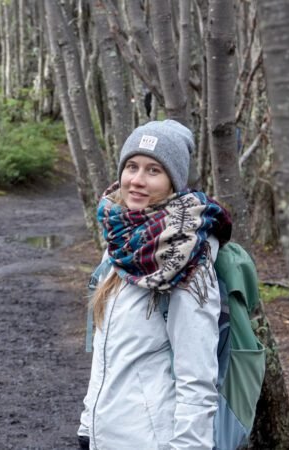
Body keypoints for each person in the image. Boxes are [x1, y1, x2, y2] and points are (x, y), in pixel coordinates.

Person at [77, 120, 232, 449]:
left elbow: (198, 379)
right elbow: (106, 356)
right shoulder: (120, 246)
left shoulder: (188, 260)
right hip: (106, 437)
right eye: (132, 166)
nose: (136, 180)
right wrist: (87, 426)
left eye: (153, 170)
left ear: (173, 182)